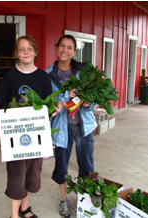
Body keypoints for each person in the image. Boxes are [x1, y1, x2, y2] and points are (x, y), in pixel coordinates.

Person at [0, 35, 61, 218]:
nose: (26, 52)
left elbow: (49, 103)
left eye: (29, 48)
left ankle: (25, 208)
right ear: (16, 54)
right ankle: (13, 214)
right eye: (21, 49)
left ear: (35, 52)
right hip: (15, 134)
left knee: (33, 173)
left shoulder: (43, 77)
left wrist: (55, 108)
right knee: (16, 173)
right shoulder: (11, 76)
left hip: (36, 134)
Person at [45, 35, 98, 218]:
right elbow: (49, 101)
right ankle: (64, 200)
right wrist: (68, 94)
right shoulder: (48, 74)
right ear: (56, 48)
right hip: (62, 127)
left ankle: (84, 199)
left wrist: (88, 103)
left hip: (84, 126)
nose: (65, 50)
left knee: (86, 165)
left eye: (69, 48)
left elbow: (94, 102)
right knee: (61, 166)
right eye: (62, 46)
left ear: (74, 52)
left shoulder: (84, 71)